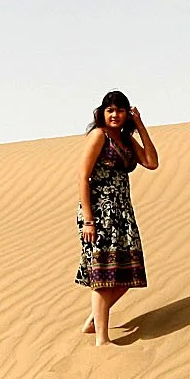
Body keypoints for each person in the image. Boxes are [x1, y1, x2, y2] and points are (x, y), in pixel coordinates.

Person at [75, 90, 158, 346]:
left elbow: (151, 162)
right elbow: (82, 177)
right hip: (100, 212)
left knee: (126, 275)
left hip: (122, 213)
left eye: (120, 111)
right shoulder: (99, 136)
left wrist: (140, 125)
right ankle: (102, 338)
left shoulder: (125, 140)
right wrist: (89, 219)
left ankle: (93, 320)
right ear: (103, 112)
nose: (115, 115)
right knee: (102, 274)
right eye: (110, 110)